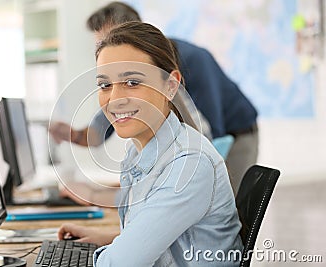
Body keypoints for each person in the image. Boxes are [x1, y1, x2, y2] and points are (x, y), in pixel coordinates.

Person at [57, 21, 243, 266]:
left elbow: (119, 264)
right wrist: (110, 240)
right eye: (105, 85)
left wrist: (109, 252)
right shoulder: (139, 151)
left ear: (171, 85)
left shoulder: (189, 164)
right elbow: (164, 233)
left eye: (132, 82)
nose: (114, 100)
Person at [49, 2, 258, 195]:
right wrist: (70, 134)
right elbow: (100, 131)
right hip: (202, 144)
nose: (105, 52)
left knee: (226, 206)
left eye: (110, 41)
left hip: (235, 136)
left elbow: (210, 134)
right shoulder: (127, 73)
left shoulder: (189, 58)